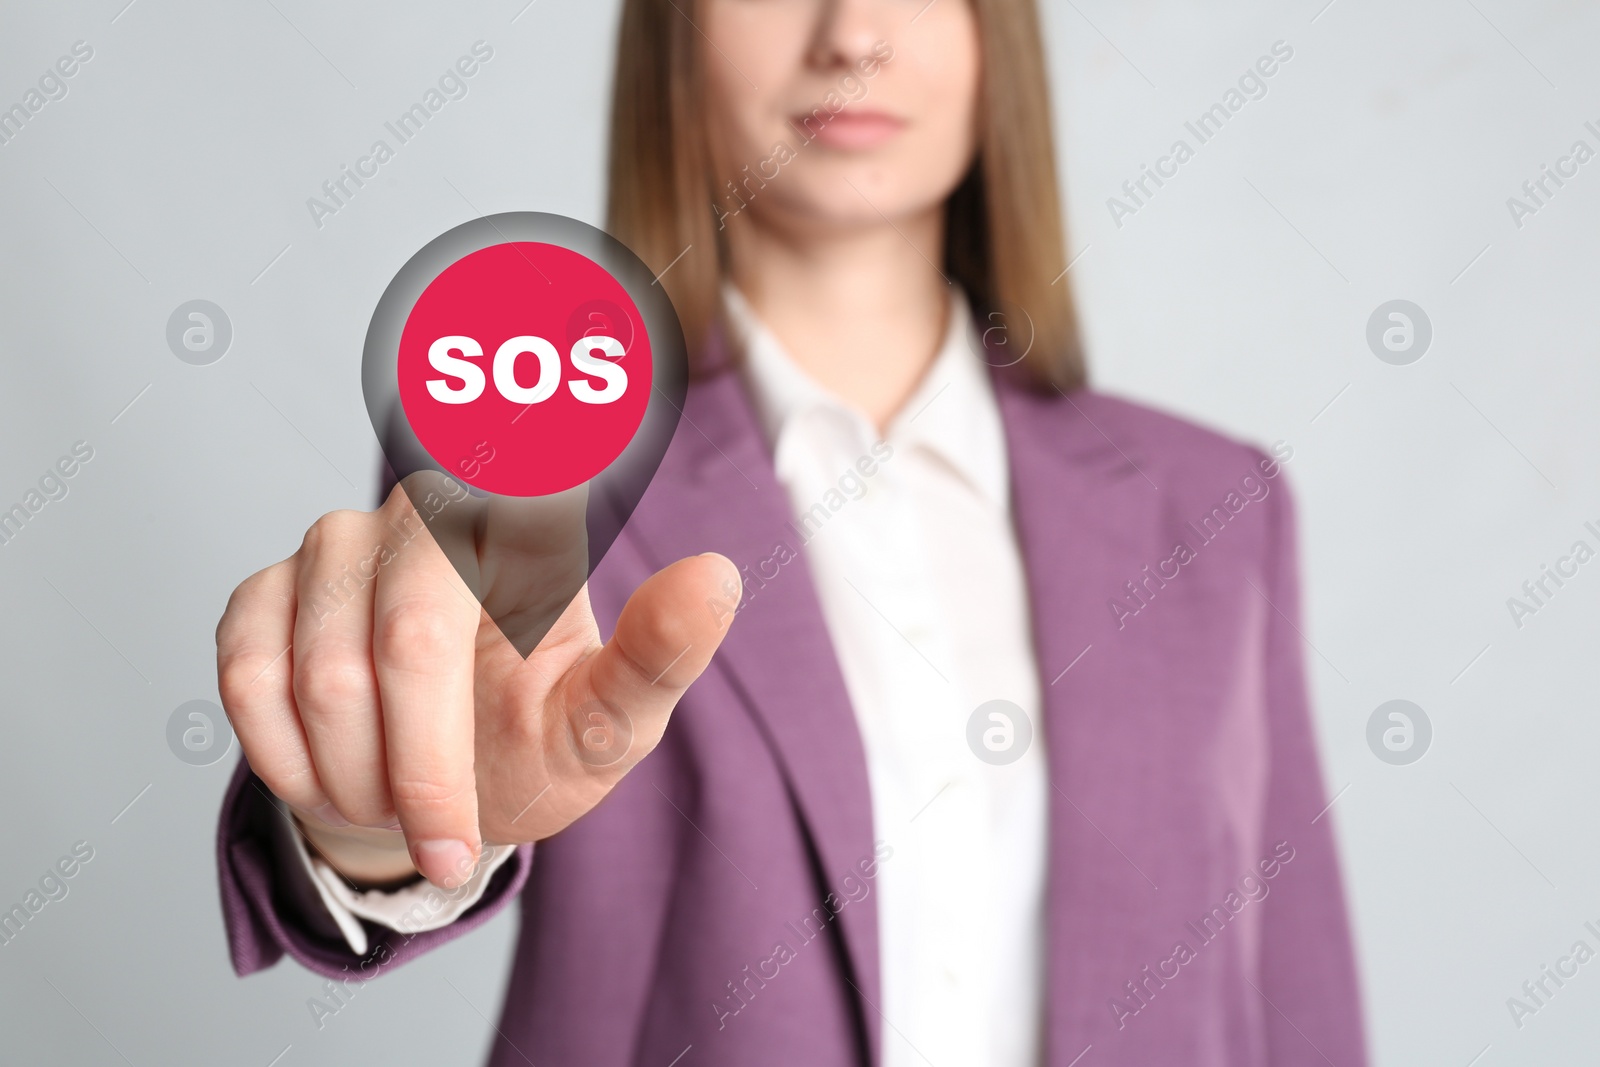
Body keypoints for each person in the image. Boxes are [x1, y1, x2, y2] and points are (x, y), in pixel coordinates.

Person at [214, 1, 1368, 1064]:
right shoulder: (528, 452)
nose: (851, 32)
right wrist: (361, 810)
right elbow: (425, 743)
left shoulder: (1218, 507)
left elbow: (1298, 996)